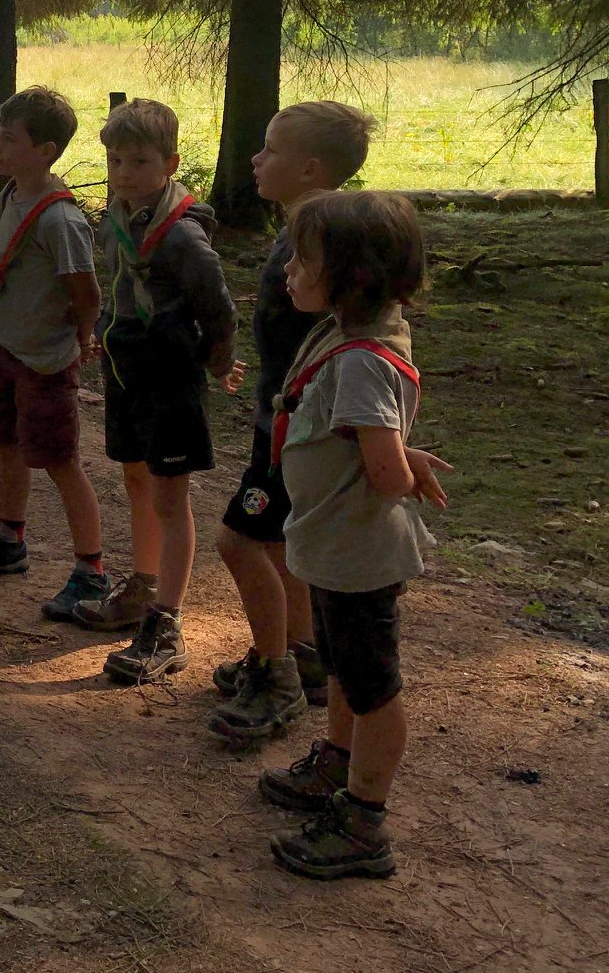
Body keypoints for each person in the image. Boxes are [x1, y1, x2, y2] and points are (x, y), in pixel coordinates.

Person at [261, 190, 435, 880]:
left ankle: (365, 818)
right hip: (333, 546)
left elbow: (385, 471)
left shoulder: (361, 356)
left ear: (355, 275)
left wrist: (399, 463)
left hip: (359, 553)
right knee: (340, 669)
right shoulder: (346, 329)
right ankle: (338, 760)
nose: (288, 272)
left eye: (305, 261)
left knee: (373, 686)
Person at [208, 101, 375, 744]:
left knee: (239, 542)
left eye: (270, 149)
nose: (255, 159)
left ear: (309, 168)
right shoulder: (300, 227)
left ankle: (275, 678)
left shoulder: (324, 237)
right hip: (278, 420)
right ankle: (299, 654)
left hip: (300, 431)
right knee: (278, 545)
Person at [80, 98, 241, 686]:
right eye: (115, 159)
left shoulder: (183, 238)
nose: (124, 173)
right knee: (136, 479)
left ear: (171, 162)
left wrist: (218, 363)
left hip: (171, 378)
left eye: (140, 161)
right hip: (127, 371)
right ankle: (143, 587)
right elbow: (116, 285)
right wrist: (101, 332)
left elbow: (218, 309)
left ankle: (167, 622)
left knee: (171, 498)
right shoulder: (115, 218)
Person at [0, 88, 108, 615]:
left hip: (45, 359)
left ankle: (92, 569)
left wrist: (84, 339)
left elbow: (84, 290)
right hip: (7, 348)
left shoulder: (60, 220)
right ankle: (8, 540)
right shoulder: (7, 195)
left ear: (46, 150)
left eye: (10, 139)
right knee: (7, 443)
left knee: (61, 460)